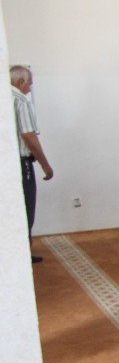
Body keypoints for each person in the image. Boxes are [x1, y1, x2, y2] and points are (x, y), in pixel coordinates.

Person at [10, 65, 54, 264]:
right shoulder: (20, 100)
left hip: (10, 165)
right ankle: (21, 258)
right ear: (20, 82)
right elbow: (29, 136)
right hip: (22, 164)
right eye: (29, 83)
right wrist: (46, 165)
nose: (30, 87)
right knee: (26, 210)